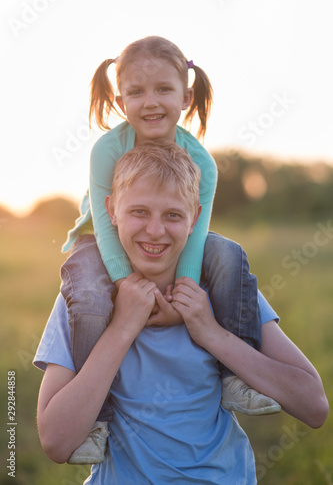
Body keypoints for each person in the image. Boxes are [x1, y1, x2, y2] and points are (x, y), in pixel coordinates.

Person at [34, 141, 328, 484]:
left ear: (195, 219)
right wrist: (121, 328)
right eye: (139, 212)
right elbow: (55, 443)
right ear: (111, 211)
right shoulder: (86, 300)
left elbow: (313, 405)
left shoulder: (222, 290)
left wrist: (211, 332)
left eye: (173, 215)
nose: (155, 231)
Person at [59, 35, 277, 464]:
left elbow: (195, 236)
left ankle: (235, 375)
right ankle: (95, 419)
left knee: (229, 254)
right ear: (120, 100)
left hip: (167, 245)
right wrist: (125, 284)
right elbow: (106, 224)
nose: (150, 101)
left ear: (186, 95)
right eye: (136, 92)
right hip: (100, 237)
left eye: (163, 89)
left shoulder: (203, 163)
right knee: (86, 294)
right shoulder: (107, 149)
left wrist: (183, 294)